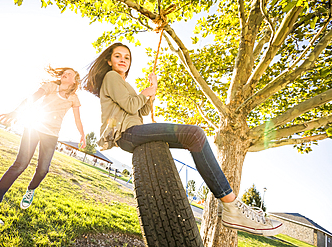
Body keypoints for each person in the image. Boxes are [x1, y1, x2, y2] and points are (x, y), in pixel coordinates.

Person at [82, 42, 284, 236]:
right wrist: (145, 93)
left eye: (127, 57)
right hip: (126, 133)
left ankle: (230, 206)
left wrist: (152, 91)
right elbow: (131, 105)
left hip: (134, 130)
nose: (123, 60)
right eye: (118, 56)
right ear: (109, 61)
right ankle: (231, 207)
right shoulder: (111, 77)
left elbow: (142, 110)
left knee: (195, 138)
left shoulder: (124, 83)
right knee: (194, 134)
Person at [0, 66, 86, 226]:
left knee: (43, 170)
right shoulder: (50, 86)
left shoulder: (74, 98)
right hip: (34, 127)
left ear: (74, 81)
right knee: (20, 165)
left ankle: (30, 190)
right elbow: (32, 98)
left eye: (70, 74)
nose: (65, 74)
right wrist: (16, 112)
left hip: (52, 135)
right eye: (65, 72)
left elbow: (77, 119)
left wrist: (82, 135)